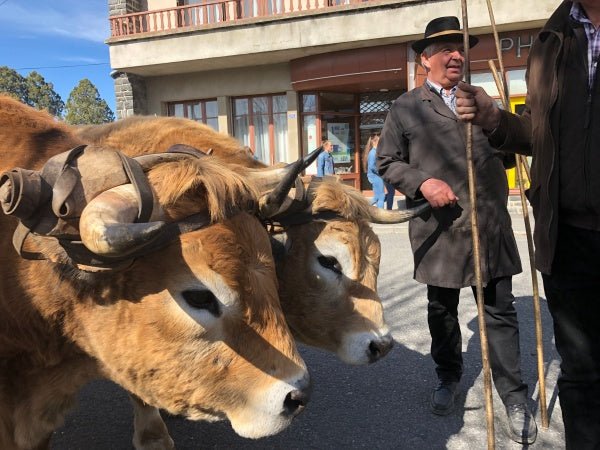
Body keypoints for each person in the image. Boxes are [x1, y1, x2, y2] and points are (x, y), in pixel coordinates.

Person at [376, 16, 537, 444]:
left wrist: (493, 121)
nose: (456, 55)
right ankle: (448, 377)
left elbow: (513, 146)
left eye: (461, 47)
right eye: (446, 49)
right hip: (440, 231)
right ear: (425, 59)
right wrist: (423, 182)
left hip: (488, 227)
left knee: (501, 314)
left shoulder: (483, 99)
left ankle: (515, 395)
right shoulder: (406, 108)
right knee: (442, 314)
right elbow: (387, 163)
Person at [455, 2, 600, 448]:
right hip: (568, 237)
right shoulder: (550, 40)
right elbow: (539, 131)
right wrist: (496, 119)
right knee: (581, 374)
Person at [363, 133, 396, 209]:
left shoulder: (375, 152)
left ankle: (363, 208)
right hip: (375, 177)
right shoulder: (373, 153)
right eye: (379, 141)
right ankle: (380, 212)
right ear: (374, 142)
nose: (381, 142)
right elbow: (372, 167)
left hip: (377, 176)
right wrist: (381, 172)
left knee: (378, 197)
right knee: (380, 196)